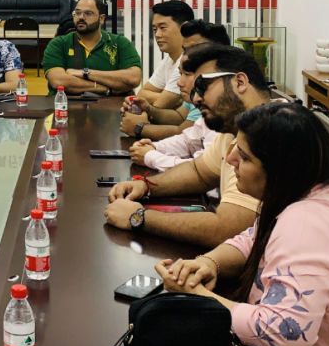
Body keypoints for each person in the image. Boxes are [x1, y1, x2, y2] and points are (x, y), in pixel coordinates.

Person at [156, 103, 329, 346]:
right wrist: (210, 263)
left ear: (279, 169)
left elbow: (282, 334)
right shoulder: (314, 193)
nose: (230, 159)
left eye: (245, 157)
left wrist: (198, 298)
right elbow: (252, 239)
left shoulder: (308, 225)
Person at [104, 45, 269, 248]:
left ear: (240, 82)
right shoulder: (235, 128)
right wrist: (146, 186)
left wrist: (137, 217)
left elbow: (225, 229)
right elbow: (199, 172)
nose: (196, 98)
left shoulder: (271, 134)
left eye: (203, 86)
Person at [120, 19, 230, 140]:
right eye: (185, 50)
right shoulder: (196, 82)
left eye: (195, 50)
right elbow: (180, 117)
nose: (187, 56)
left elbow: (186, 134)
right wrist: (148, 109)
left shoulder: (219, 87)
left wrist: (140, 128)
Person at [127, 44, 219, 173]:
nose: (179, 83)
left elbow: (202, 169)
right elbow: (188, 141)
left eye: (187, 74)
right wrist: (155, 147)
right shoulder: (209, 110)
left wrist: (150, 156)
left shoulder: (225, 117)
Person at [42, 0, 142, 95]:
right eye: (77, 13)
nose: (81, 17)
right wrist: (106, 89)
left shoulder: (119, 43)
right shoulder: (59, 44)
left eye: (88, 13)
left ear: (101, 18)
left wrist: (85, 73)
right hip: (67, 103)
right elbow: (58, 81)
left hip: (115, 104)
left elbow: (134, 78)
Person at [134, 0, 194, 109]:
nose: (157, 34)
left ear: (185, 28)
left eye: (163, 28)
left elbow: (160, 106)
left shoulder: (189, 59)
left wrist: (166, 98)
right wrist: (172, 99)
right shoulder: (169, 59)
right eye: (154, 29)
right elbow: (142, 94)